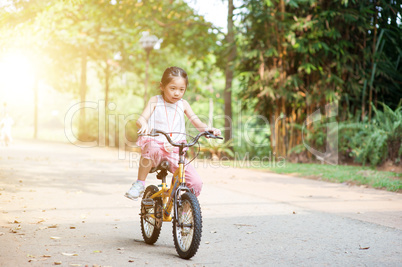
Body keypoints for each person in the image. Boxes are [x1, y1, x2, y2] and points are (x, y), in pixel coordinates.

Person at [125, 66, 221, 200]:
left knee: (196, 183)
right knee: (152, 147)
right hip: (156, 147)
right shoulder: (155, 101)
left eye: (182, 90)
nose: (177, 93)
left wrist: (208, 129)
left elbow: (198, 123)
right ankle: (140, 183)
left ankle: (184, 209)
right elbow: (140, 119)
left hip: (175, 150)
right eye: (173, 88)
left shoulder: (184, 104)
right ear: (162, 86)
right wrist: (144, 124)